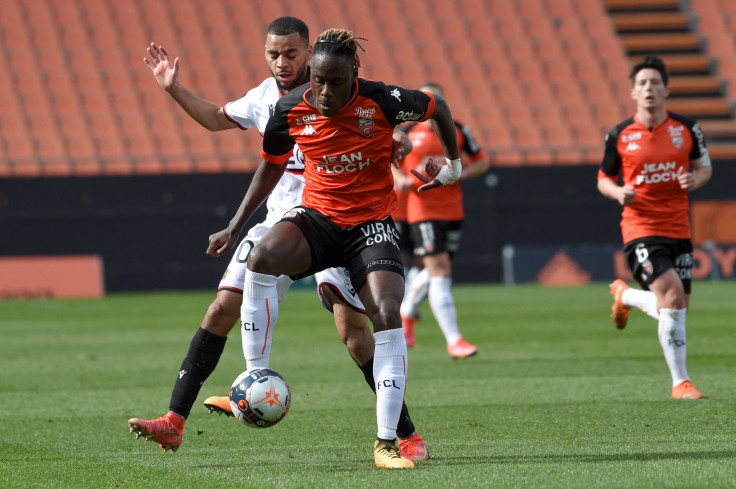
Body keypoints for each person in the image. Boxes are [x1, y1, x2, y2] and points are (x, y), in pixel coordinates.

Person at [127, 17, 428, 462]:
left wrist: (398, 136)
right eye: (273, 54)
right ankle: (175, 421)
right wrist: (172, 87)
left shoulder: (340, 86)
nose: (282, 63)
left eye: (291, 54)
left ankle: (404, 434)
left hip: (342, 221)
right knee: (221, 307)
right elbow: (214, 118)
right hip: (284, 224)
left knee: (354, 332)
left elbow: (382, 120)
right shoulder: (266, 99)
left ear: (309, 53)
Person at [206, 28, 462, 469]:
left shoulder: (384, 99)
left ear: (354, 74)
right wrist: (234, 225)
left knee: (384, 311)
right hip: (319, 219)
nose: (324, 91)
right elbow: (269, 169)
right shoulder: (290, 108)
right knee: (261, 257)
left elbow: (439, 109)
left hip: (371, 226)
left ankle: (386, 443)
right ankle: (255, 375)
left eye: (335, 82)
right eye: (318, 80)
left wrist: (453, 165)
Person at [598, 55, 712, 400]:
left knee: (675, 310)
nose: (649, 88)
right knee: (673, 295)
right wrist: (619, 192)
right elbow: (603, 178)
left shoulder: (686, 128)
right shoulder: (620, 135)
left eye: (655, 82)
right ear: (633, 92)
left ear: (666, 89)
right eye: (643, 83)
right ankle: (681, 383)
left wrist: (696, 178)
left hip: (678, 227)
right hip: (640, 227)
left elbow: (705, 167)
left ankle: (626, 296)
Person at [396, 82, 489, 358]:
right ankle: (454, 340)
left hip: (453, 210)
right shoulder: (407, 133)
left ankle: (407, 312)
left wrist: (459, 173)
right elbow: (390, 165)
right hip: (423, 210)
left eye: (433, 100)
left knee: (437, 271)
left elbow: (481, 162)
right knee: (441, 274)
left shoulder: (458, 130)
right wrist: (400, 180)